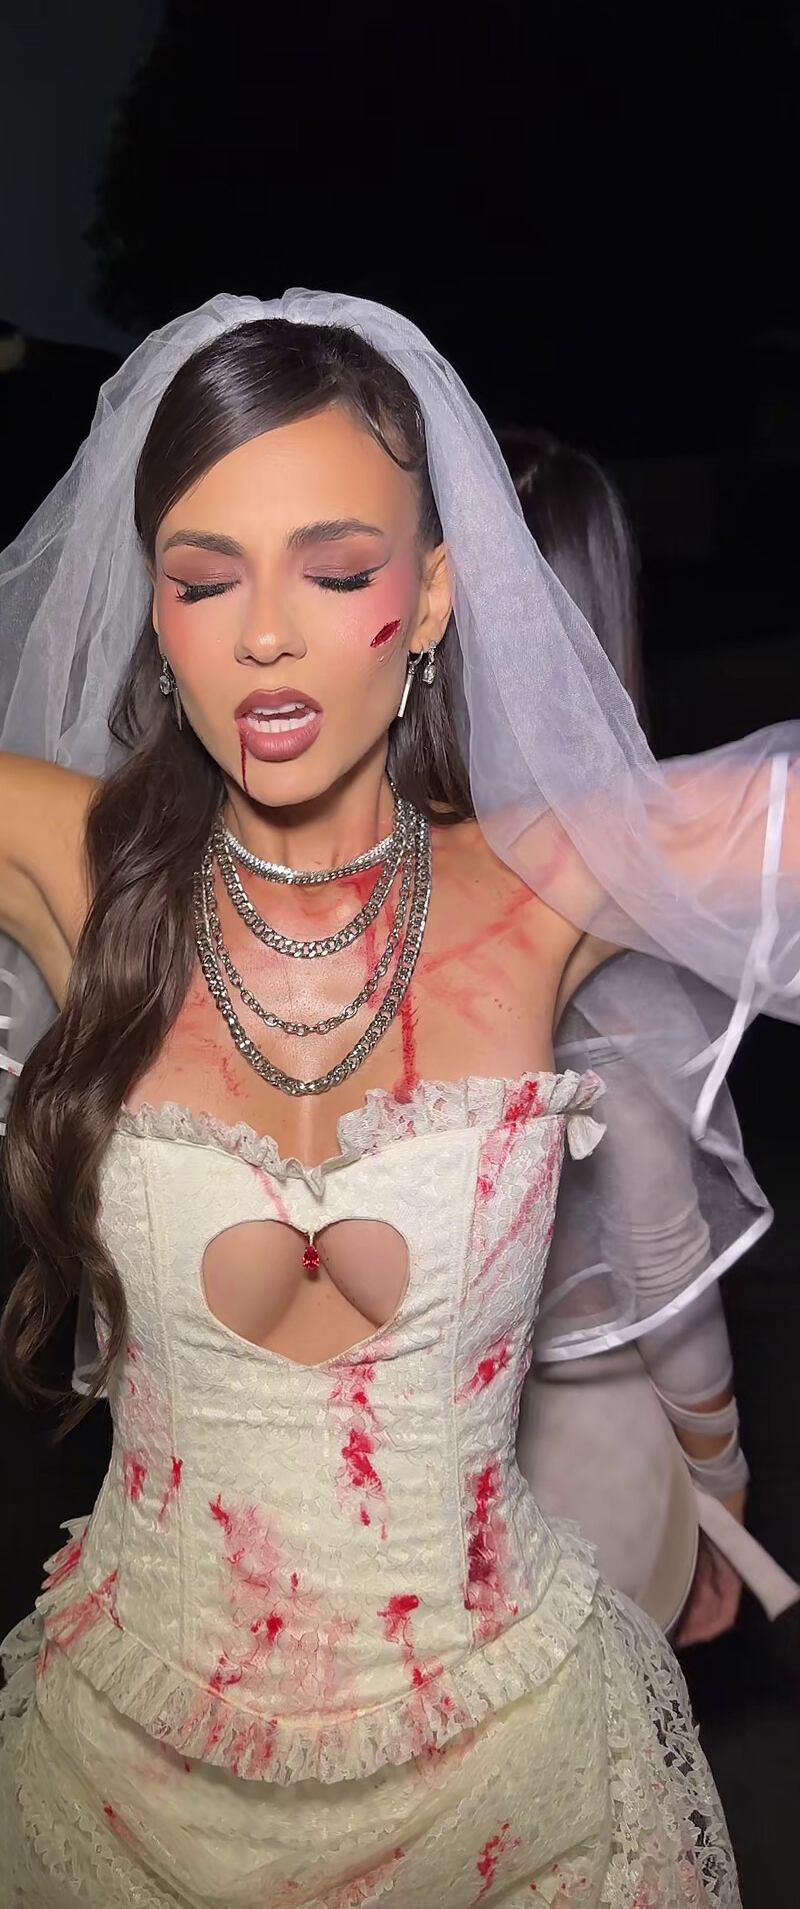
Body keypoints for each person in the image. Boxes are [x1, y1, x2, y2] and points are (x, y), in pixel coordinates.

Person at [0, 290, 799, 1905]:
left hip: (521, 1783)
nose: (267, 636)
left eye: (337, 570)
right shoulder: (73, 861)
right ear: (155, 611)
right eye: (205, 577)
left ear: (432, 598)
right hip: (130, 1786)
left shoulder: (546, 880)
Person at [498, 428, 752, 1646]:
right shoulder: (586, 876)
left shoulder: (356, 866)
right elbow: (657, 1240)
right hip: (575, 1453)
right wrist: (722, 1476)